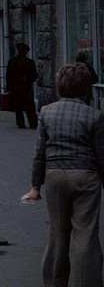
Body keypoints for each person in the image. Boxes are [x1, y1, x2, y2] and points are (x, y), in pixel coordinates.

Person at [22, 63, 104, 287]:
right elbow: (101, 155)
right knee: (86, 235)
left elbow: (39, 152)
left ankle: (54, 282)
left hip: (55, 177)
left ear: (59, 87)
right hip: (85, 177)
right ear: (86, 88)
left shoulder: (47, 112)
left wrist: (35, 187)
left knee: (57, 233)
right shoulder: (95, 116)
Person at [7, 43, 39, 129]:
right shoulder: (30, 62)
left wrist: (9, 88)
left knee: (18, 107)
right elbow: (34, 76)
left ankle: (20, 123)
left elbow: (9, 76)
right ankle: (33, 123)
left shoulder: (12, 62)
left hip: (16, 87)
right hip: (27, 87)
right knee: (30, 106)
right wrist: (28, 80)